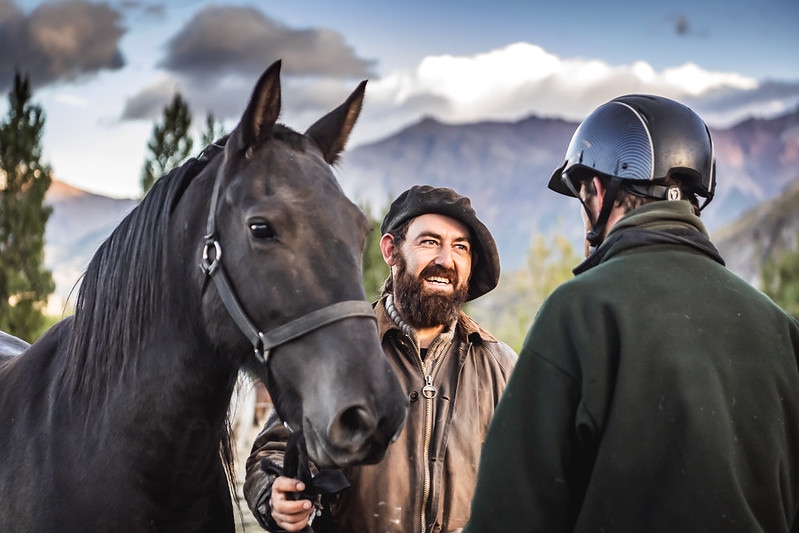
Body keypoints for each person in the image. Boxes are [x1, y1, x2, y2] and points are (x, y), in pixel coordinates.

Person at [464, 94, 799, 532]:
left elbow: (507, 516)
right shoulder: (783, 330)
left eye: (582, 196)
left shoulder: (578, 312)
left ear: (599, 192)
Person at [243, 185, 517, 532]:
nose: (446, 260)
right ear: (390, 250)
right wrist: (275, 497)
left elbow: (534, 476)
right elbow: (272, 452)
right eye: (430, 241)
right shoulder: (336, 355)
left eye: (460, 247)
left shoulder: (501, 367)